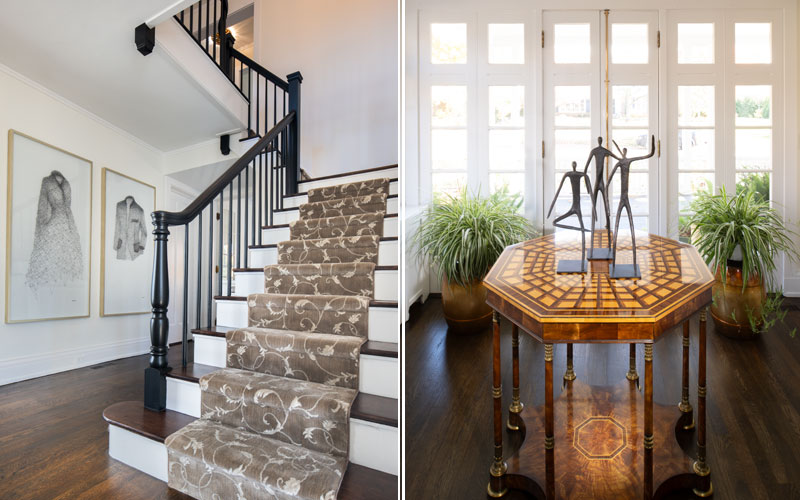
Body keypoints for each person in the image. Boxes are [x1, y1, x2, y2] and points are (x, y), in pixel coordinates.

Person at [608, 136, 656, 274]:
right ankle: (615, 262)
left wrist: (653, 143)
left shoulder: (623, 161)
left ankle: (632, 262)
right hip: (623, 198)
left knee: (630, 227)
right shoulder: (623, 162)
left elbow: (648, 155)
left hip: (625, 198)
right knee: (618, 227)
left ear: (624, 153)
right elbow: (609, 178)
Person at [547, 161, 593, 268]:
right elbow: (559, 190)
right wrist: (552, 205)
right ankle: (581, 230)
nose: (574, 166)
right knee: (555, 222)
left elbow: (590, 192)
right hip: (573, 208)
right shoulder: (570, 174)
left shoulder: (582, 174)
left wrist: (594, 209)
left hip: (577, 208)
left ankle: (583, 259)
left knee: (582, 232)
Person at [584, 137, 621, 258]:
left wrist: (623, 158)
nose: (600, 141)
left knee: (606, 210)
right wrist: (587, 186)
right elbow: (585, 169)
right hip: (597, 183)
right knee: (594, 210)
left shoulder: (601, 151)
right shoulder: (596, 151)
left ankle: (609, 246)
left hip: (600, 183)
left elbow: (617, 158)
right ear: (599, 141)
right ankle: (594, 245)